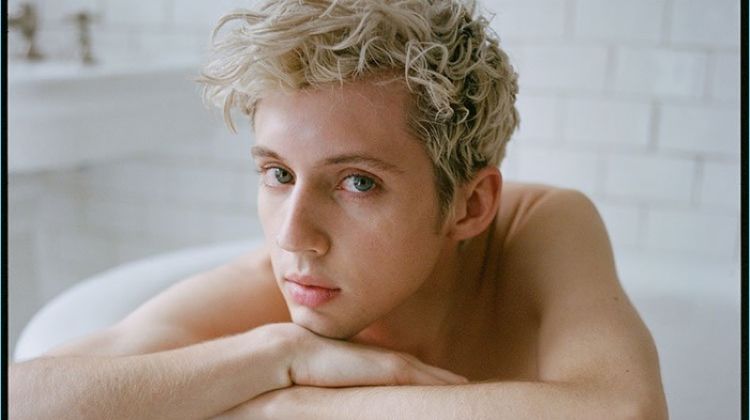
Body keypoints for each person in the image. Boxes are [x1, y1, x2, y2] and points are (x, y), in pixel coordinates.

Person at [10, 0, 668, 418]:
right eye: (277, 173)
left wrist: (290, 408)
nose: (294, 236)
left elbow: (628, 411)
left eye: (357, 183)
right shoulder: (266, 296)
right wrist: (278, 357)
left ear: (470, 204)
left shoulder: (534, 229)